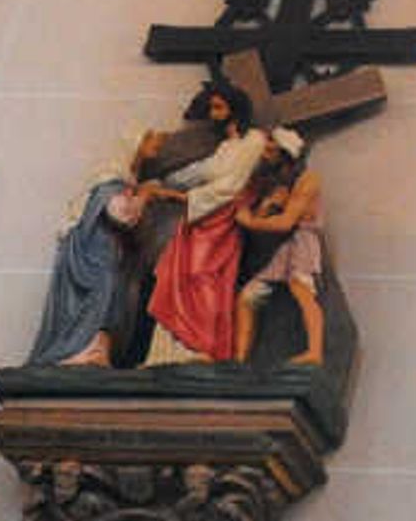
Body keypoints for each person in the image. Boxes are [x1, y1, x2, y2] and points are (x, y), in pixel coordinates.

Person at [141, 85, 269, 366]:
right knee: (178, 276)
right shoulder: (225, 147)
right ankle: (175, 351)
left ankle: (204, 346)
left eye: (219, 108)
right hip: (198, 221)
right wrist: (161, 182)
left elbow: (230, 186)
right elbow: (198, 173)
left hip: (221, 222)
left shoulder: (255, 141)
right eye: (211, 108)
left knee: (207, 278)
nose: (213, 115)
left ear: (236, 109)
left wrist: (181, 197)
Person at [26, 131, 158, 366]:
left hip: (105, 250)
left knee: (111, 297)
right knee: (101, 295)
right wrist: (145, 197)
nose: (156, 147)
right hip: (93, 251)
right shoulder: (111, 181)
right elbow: (121, 215)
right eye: (150, 141)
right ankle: (83, 349)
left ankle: (97, 350)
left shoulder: (126, 180)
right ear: (136, 145)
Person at [235, 131, 328, 366]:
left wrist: (250, 221)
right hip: (288, 244)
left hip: (303, 241)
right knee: (247, 296)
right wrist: (267, 206)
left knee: (302, 290)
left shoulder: (308, 180)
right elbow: (267, 215)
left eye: (271, 151)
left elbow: (286, 222)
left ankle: (315, 352)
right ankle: (239, 360)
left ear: (286, 155)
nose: (265, 156)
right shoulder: (279, 183)